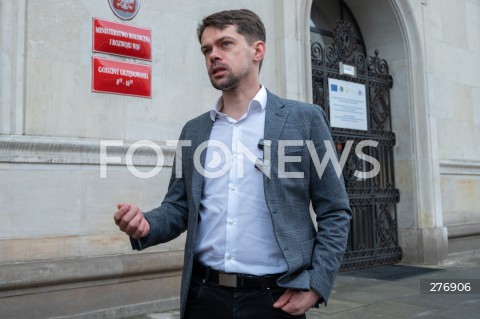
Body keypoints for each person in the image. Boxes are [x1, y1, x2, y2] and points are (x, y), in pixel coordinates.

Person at [114, 9, 351, 319]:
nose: (213, 55)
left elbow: (335, 211)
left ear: (257, 50)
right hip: (204, 297)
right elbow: (179, 208)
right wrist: (145, 224)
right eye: (206, 49)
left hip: (276, 299)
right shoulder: (195, 131)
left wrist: (316, 284)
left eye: (225, 44)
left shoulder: (303, 120)